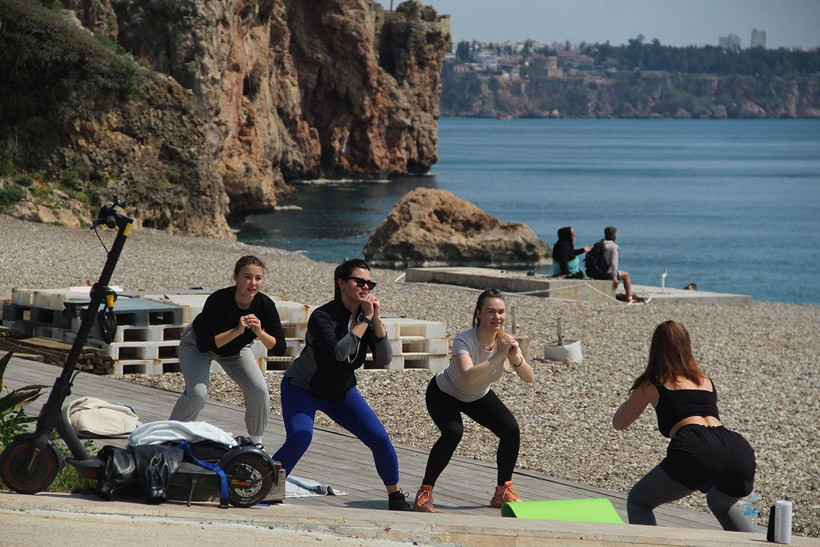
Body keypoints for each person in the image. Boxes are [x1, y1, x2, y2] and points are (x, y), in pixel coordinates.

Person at [271, 258, 413, 511]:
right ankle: (262, 484)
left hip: (340, 392)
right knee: (300, 438)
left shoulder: (366, 319)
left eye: (370, 283)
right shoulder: (322, 316)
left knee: (380, 439)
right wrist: (365, 321)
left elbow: (385, 359)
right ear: (341, 283)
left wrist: (376, 319)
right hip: (302, 388)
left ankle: (395, 496)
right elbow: (339, 352)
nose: (366, 287)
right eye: (359, 281)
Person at [612, 320, 756, 531]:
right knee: (719, 503)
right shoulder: (704, 380)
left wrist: (638, 393)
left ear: (656, 349)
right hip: (737, 449)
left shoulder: (653, 383)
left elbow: (619, 423)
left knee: (639, 501)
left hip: (695, 447)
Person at [413, 289, 534, 513]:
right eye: (491, 312)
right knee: (453, 432)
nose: (497, 317)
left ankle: (502, 491)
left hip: (478, 396)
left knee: (510, 429)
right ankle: (424, 492)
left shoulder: (506, 342)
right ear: (478, 313)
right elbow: (468, 377)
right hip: (444, 393)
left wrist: (515, 356)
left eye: (501, 312)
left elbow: (529, 377)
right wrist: (500, 354)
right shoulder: (464, 340)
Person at [169, 255, 286, 446]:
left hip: (235, 350)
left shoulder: (265, 305)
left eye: (258, 278)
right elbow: (205, 344)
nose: (253, 283)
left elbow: (279, 348)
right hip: (197, 345)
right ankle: (170, 435)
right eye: (247, 277)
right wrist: (237, 331)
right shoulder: (219, 300)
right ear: (236, 277)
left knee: (259, 391)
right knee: (198, 393)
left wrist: (259, 332)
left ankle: (255, 443)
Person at [594, 226, 633, 303]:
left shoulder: (601, 244)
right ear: (614, 236)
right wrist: (615, 278)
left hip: (598, 272)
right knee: (626, 275)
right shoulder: (614, 247)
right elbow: (614, 264)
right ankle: (629, 298)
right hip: (608, 273)